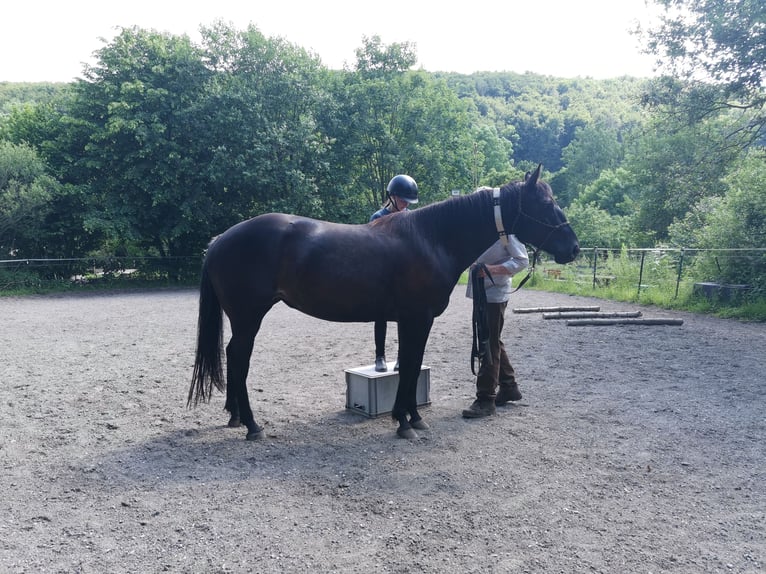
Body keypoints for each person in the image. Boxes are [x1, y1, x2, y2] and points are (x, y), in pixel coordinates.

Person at [462, 230, 529, 418]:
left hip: (494, 293)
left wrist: (491, 270)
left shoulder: (505, 233)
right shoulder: (482, 229)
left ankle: (485, 399)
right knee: (492, 339)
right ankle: (508, 386)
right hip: (482, 292)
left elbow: (522, 260)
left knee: (488, 343)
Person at [369, 174, 419, 372]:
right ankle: (379, 356)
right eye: (402, 200)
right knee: (379, 315)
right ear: (392, 197)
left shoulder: (411, 217)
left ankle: (401, 357)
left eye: (408, 201)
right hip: (382, 274)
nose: (405, 204)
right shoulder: (378, 217)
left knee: (404, 317)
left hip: (404, 275)